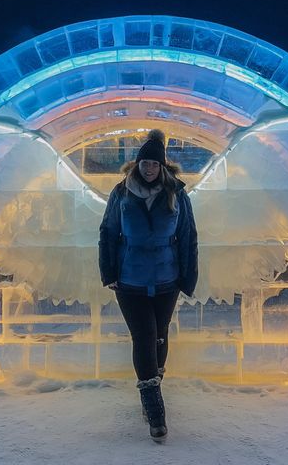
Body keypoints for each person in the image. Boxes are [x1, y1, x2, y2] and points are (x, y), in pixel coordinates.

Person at [98, 129, 198, 442]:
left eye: (155, 164)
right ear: (138, 164)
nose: (149, 168)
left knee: (160, 336)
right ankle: (154, 409)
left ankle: (152, 388)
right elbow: (108, 231)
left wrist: (187, 276)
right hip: (130, 280)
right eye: (145, 163)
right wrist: (109, 271)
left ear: (162, 166)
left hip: (167, 279)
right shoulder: (121, 192)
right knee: (143, 336)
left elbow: (188, 236)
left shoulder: (177, 193)